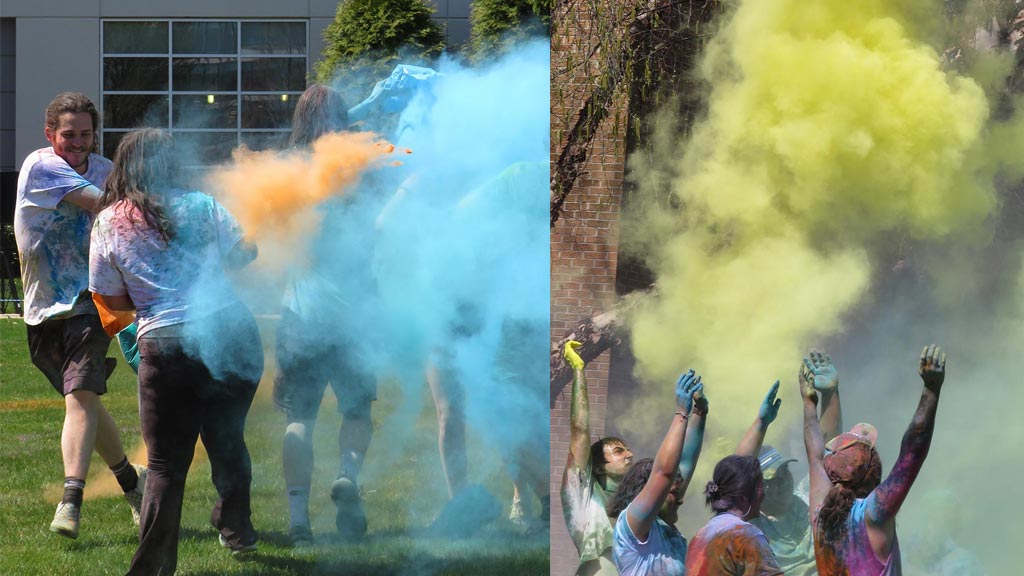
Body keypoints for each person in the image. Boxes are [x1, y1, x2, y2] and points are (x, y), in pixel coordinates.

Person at [89, 128, 263, 573]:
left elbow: (108, 297)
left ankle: (152, 568)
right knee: (228, 441)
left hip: (165, 346)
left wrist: (150, 296)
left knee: (165, 465)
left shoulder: (109, 222)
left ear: (124, 165)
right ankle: (237, 530)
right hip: (229, 331)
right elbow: (247, 252)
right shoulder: (203, 205)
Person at [14, 91, 145, 539]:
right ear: (50, 133)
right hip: (43, 306)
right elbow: (109, 208)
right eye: (69, 134)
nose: (77, 143)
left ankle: (71, 502)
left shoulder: (106, 169)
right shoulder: (42, 165)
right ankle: (133, 482)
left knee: (80, 396)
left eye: (86, 135)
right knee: (84, 400)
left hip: (91, 301)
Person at [273, 83, 378, 545]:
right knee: (356, 409)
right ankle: (348, 478)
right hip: (356, 315)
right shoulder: (363, 168)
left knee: (300, 417)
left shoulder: (283, 170)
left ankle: (298, 520)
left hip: (301, 313)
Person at [561, 343, 708, 576]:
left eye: (627, 450)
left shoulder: (648, 507)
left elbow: (681, 470)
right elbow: (579, 431)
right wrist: (578, 370)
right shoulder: (585, 499)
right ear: (598, 466)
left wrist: (700, 414)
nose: (629, 454)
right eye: (618, 451)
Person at [801, 345, 947, 576]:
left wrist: (810, 403)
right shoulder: (874, 513)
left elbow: (814, 456)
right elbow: (912, 453)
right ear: (873, 472)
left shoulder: (820, 515)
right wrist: (931, 390)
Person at [735, 350, 846, 576]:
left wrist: (830, 394)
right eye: (774, 478)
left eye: (785, 472)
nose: (784, 480)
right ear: (757, 489)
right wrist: (761, 424)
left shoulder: (805, 497)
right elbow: (736, 474)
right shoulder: (753, 525)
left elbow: (826, 454)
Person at [607, 370, 704, 576]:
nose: (680, 500)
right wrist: (681, 413)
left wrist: (700, 412)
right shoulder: (632, 526)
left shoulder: (663, 526)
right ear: (649, 493)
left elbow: (685, 463)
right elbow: (663, 473)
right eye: (672, 494)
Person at [684, 455, 784, 576]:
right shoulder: (747, 536)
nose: (764, 492)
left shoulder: (699, 537)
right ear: (743, 498)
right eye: (761, 486)